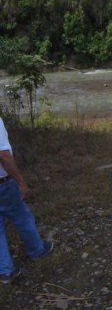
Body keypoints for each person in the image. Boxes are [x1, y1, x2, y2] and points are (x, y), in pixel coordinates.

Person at [0, 118, 54, 284]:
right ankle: (37, 250)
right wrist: (21, 182)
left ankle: (5, 271)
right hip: (3, 184)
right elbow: (3, 155)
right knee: (22, 217)